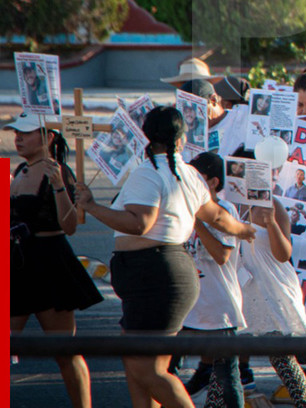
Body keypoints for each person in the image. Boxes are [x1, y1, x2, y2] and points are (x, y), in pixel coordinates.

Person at [74, 106, 256, 408]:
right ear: (181, 139)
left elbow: (140, 223)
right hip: (154, 275)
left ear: (148, 136)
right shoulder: (188, 175)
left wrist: (92, 206)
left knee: (150, 369)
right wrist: (244, 230)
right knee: (136, 363)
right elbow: (220, 219)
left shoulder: (149, 173)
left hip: (156, 274)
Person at [8, 116, 101, 408]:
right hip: (17, 263)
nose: (18, 139)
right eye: (16, 133)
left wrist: (60, 186)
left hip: (50, 263)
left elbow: (71, 225)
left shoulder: (58, 172)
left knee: (64, 351)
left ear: (47, 137)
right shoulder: (20, 170)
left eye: (26, 133)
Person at [174, 153, 246, 406]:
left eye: (196, 179)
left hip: (217, 307)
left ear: (213, 182)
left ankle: (205, 377)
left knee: (228, 377)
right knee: (164, 368)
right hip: (185, 304)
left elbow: (221, 255)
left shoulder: (224, 211)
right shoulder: (182, 208)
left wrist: (197, 221)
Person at [237, 184, 306, 406]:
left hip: (274, 289)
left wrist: (271, 222)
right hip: (247, 291)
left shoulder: (274, 206)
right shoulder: (234, 206)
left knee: (280, 356)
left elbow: (284, 254)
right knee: (225, 359)